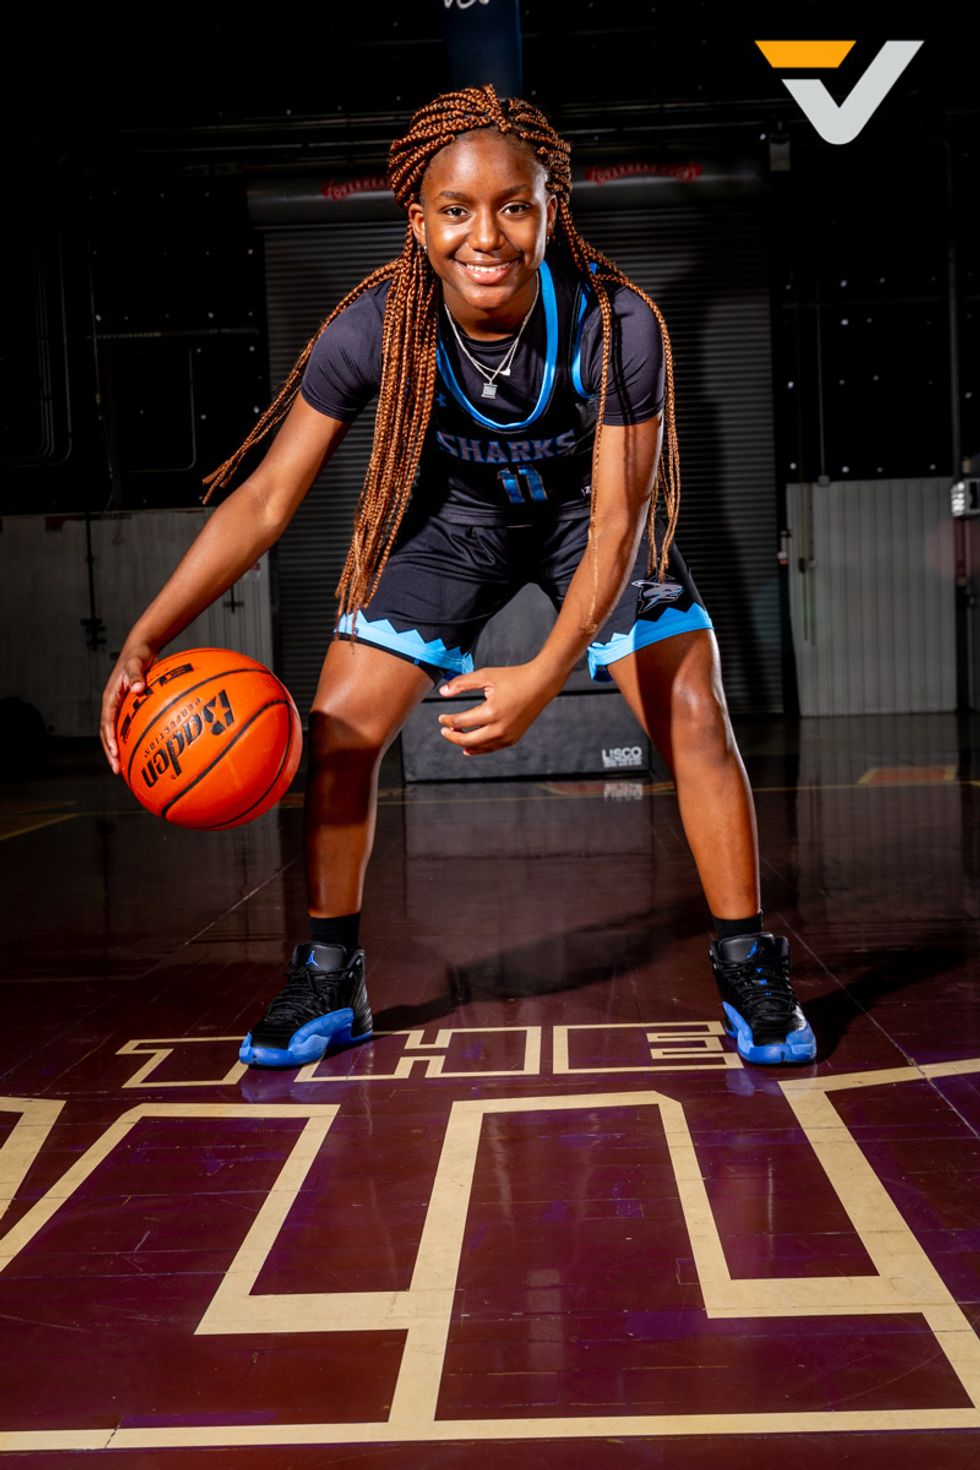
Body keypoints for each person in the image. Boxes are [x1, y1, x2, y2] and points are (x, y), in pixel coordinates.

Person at [100, 85, 816, 1069]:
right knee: (339, 728)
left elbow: (617, 525)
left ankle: (746, 963)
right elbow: (264, 500)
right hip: (456, 531)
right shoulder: (376, 328)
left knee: (693, 709)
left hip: (582, 526)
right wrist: (147, 633)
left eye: (513, 206)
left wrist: (544, 675)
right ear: (418, 219)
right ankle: (329, 972)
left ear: (550, 209)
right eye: (456, 210)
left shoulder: (615, 325)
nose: (486, 236)